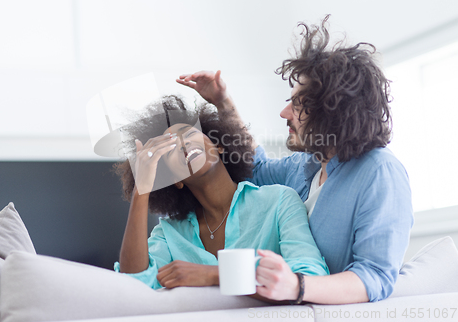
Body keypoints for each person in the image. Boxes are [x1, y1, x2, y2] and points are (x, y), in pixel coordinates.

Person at [176, 16, 413, 304]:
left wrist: (297, 286)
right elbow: (255, 168)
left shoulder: (380, 172)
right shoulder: (307, 166)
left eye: (298, 103)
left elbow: (375, 276)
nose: (284, 113)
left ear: (334, 111)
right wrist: (223, 103)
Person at [113, 95, 329, 294]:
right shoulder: (170, 234)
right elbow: (133, 287)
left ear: (218, 146)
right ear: (175, 180)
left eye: (189, 134)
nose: (183, 144)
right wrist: (142, 189)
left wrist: (216, 275)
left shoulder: (279, 201)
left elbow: (310, 277)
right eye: (170, 149)